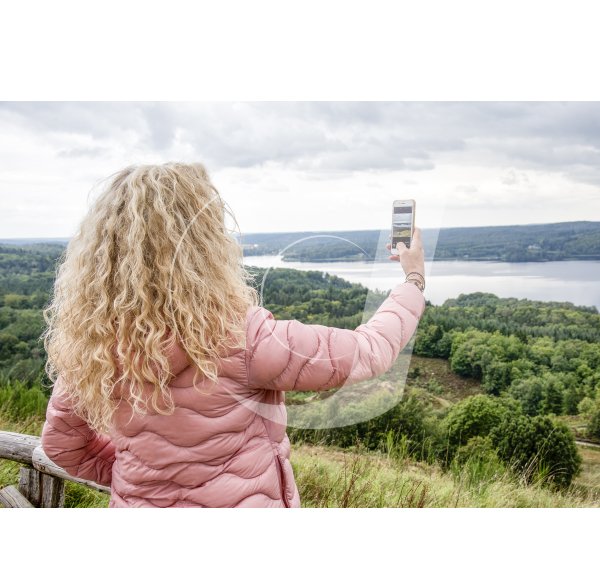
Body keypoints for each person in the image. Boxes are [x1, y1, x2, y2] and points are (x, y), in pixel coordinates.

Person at [40, 162, 427, 508]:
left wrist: (140, 483)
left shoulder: (91, 351)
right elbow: (370, 350)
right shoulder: (244, 340)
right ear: (204, 247)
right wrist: (413, 279)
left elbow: (62, 446)